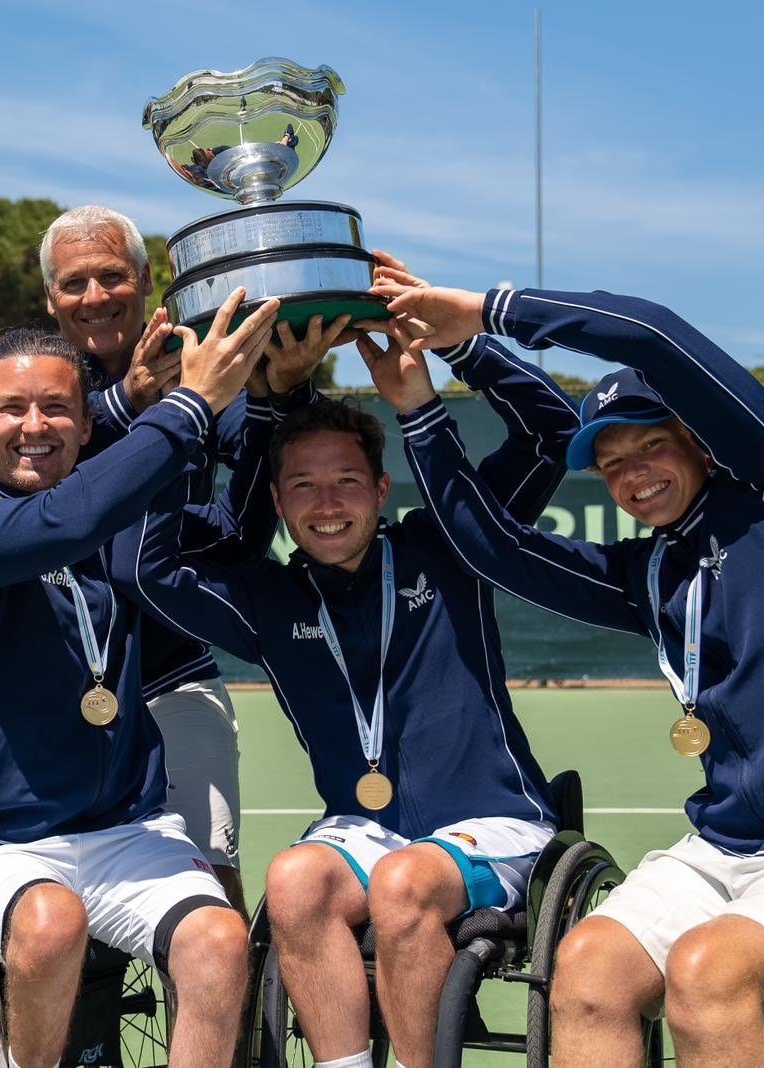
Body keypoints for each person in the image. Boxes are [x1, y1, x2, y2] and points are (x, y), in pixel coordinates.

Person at [370, 275, 764, 1067]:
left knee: (707, 976)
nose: (633, 472)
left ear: (700, 443)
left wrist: (477, 325)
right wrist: (419, 411)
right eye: (611, 463)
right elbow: (496, 549)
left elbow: (652, 333)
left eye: (651, 444)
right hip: (726, 852)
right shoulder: (651, 575)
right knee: (584, 971)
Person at [112, 271, 582, 1068]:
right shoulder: (270, 599)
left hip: (495, 824)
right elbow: (147, 567)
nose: (327, 503)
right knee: (294, 880)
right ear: (282, 505)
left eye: (345, 482)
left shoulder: (452, 545)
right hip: (366, 830)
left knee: (402, 884)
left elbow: (553, 430)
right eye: (303, 486)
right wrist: (182, 415)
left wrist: (437, 379)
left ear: (380, 487)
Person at [0, 291, 279, 1068]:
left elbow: (238, 533)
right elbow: (63, 524)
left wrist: (277, 401)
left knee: (218, 939)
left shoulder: (120, 530)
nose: (34, 426)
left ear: (86, 425)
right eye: (12, 409)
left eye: (56, 408)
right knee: (50, 923)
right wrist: (190, 405)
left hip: (126, 832)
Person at [39, 204, 344, 915]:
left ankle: (223, 1019)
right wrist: (130, 404)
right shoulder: (38, 376)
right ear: (51, 299)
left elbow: (287, 454)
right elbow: (19, 476)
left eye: (112, 277)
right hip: (52, 683)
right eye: (74, 283)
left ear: (148, 282)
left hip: (174, 677)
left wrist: (287, 389)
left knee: (213, 886)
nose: (95, 297)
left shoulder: (206, 361)